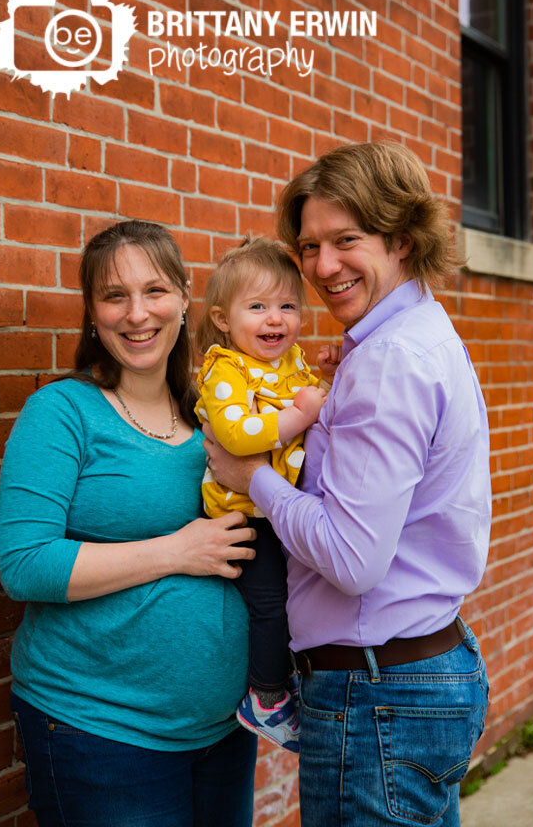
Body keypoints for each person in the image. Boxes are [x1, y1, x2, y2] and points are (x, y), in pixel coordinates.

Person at [203, 141, 491, 827]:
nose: (322, 267)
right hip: (415, 678)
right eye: (308, 246)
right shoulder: (410, 335)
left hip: (377, 696)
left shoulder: (389, 362)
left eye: (346, 240)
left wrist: (253, 478)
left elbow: (352, 560)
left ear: (402, 237)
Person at [0, 220, 260, 827]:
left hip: (223, 730)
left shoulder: (217, 417)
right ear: (92, 313)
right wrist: (175, 551)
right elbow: (24, 563)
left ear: (186, 298)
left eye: (155, 291)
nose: (137, 313)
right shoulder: (62, 413)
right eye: (115, 296)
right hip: (100, 731)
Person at [195, 236, 327, 752]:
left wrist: (332, 375)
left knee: (294, 603)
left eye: (287, 306)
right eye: (258, 307)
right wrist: (298, 414)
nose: (275, 319)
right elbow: (236, 436)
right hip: (245, 516)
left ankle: (280, 679)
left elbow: (321, 397)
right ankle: (267, 698)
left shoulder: (290, 361)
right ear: (223, 319)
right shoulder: (224, 368)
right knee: (271, 607)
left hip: (278, 508)